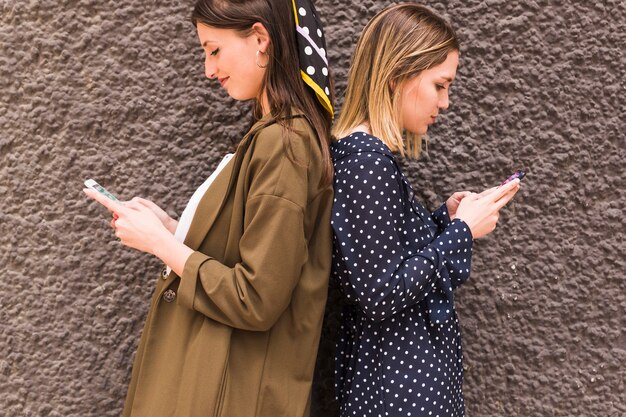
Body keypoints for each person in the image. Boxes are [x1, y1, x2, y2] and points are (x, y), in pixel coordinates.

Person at [84, 0, 334, 415]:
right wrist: (170, 228)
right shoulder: (273, 137)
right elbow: (245, 250)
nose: (208, 69)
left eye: (213, 49)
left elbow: (256, 296)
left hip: (229, 392)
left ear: (260, 39)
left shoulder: (283, 143)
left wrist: (160, 246)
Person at [329, 3, 521, 417]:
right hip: (399, 392)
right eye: (440, 85)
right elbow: (380, 294)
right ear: (398, 77)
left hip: (401, 385)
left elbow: (384, 259)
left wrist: (443, 220)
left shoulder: (367, 158)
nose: (446, 102)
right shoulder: (366, 163)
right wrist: (462, 233)